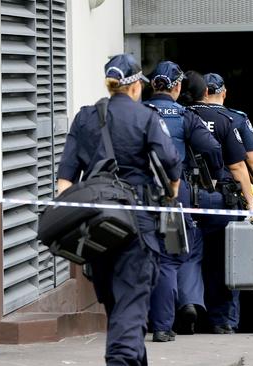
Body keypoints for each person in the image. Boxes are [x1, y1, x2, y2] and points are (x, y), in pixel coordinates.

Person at [57, 54, 183, 365]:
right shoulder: (146, 118)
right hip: (136, 226)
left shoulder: (85, 118)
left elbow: (64, 183)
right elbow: (171, 168)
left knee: (121, 308)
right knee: (130, 307)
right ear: (136, 87)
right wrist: (168, 197)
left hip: (96, 227)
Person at [144, 61, 225, 341]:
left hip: (138, 197)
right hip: (175, 196)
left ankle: (140, 320)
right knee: (179, 255)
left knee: (142, 256)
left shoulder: (138, 113)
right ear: (177, 87)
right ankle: (174, 316)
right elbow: (212, 148)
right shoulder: (185, 116)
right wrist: (213, 178)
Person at [179, 71, 253, 334]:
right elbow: (241, 165)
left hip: (187, 197)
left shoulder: (182, 116)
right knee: (226, 260)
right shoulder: (227, 118)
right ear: (217, 92)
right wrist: (252, 202)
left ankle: (187, 307)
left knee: (188, 256)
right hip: (222, 200)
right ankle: (224, 322)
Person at [204, 73, 253, 189]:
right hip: (230, 188)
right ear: (224, 93)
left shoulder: (189, 116)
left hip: (194, 188)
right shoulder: (237, 118)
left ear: (203, 93)